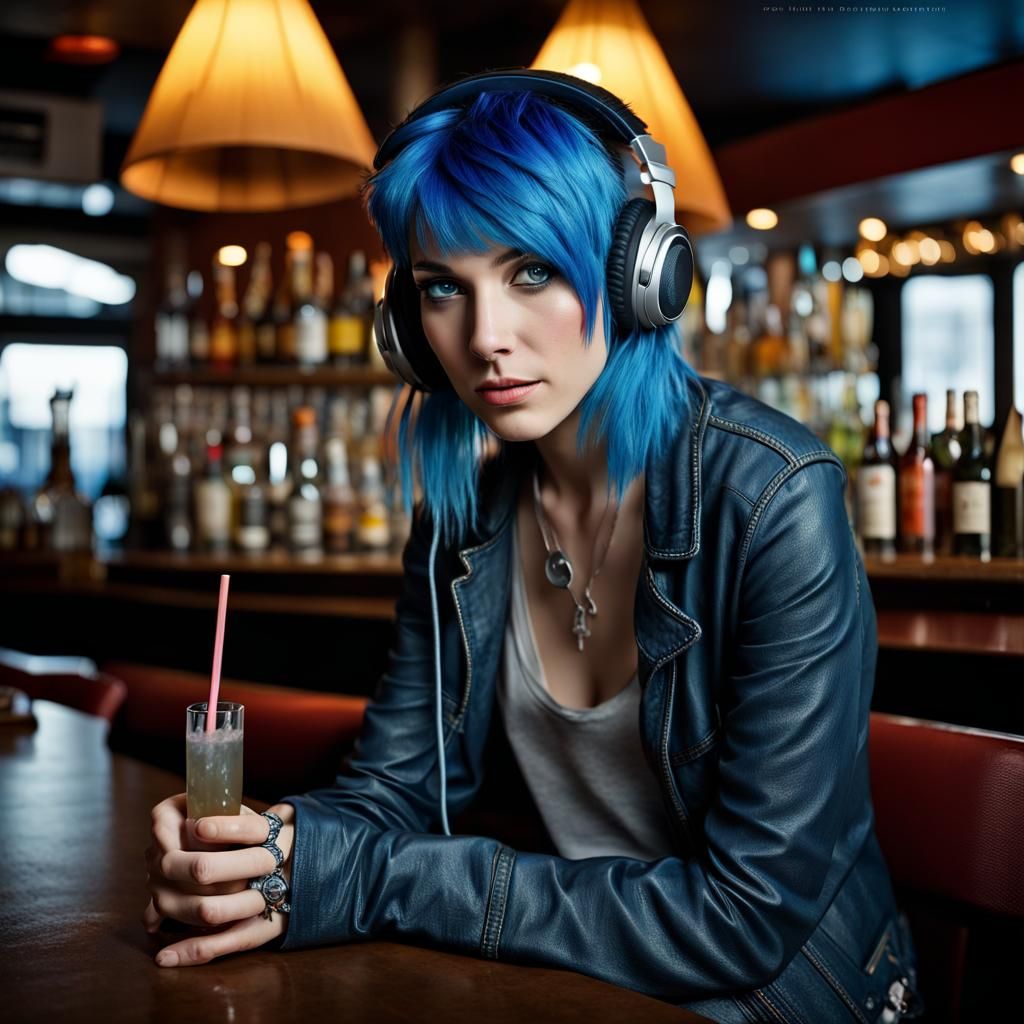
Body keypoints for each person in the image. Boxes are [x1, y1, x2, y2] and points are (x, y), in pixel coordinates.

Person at [144, 71, 921, 1022]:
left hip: (789, 994)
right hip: (582, 978)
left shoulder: (775, 499)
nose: (485, 338)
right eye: (442, 288)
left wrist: (372, 878)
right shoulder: (462, 515)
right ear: (408, 329)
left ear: (638, 275)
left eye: (532, 273)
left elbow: (746, 917)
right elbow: (395, 791)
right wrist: (261, 852)